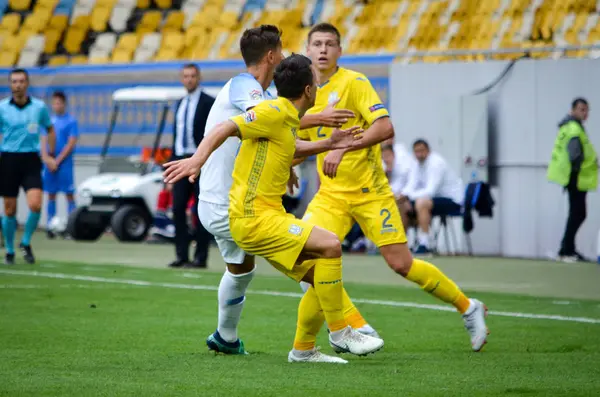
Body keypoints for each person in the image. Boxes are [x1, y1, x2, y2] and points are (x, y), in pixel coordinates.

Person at [164, 54, 384, 363]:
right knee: (331, 245)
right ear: (309, 90)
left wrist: (329, 143)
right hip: (254, 219)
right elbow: (226, 127)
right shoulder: (273, 111)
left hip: (267, 216)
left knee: (320, 276)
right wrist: (196, 160)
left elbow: (285, 147)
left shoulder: (287, 117)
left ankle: (304, 350)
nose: (319, 85)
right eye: (317, 82)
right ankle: (341, 332)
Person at [296, 23, 489, 352]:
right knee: (303, 258)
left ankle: (468, 307)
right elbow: (292, 131)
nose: (323, 49)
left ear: (340, 51)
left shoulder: (355, 83)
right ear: (308, 50)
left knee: (401, 264)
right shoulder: (303, 91)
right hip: (330, 196)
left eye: (330, 44)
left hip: (371, 194)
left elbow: (385, 127)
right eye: (317, 43)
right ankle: (353, 326)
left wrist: (344, 148)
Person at [0, 68, 56, 264]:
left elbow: (49, 129)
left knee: (35, 204)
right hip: (9, 160)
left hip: (31, 160)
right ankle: (9, 249)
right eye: (14, 81)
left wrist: (49, 153)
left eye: (22, 81)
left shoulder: (39, 108)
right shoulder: (2, 108)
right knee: (9, 210)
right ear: (10, 84)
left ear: (27, 84)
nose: (18, 85)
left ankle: (25, 241)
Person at [168, 63, 215, 269]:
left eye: (192, 76)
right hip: (180, 161)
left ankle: (200, 257)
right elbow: (176, 137)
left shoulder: (208, 103)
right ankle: (181, 255)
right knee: (178, 208)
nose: (189, 79)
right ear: (181, 79)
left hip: (200, 161)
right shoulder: (179, 104)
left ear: (199, 78)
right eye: (185, 76)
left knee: (200, 209)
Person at [548, 98, 598, 263]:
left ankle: (567, 248)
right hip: (576, 178)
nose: (585, 113)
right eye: (582, 110)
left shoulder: (570, 127)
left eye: (586, 110)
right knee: (578, 214)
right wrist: (581, 168)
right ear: (573, 110)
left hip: (574, 177)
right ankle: (566, 250)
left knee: (577, 214)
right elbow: (575, 154)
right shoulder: (574, 129)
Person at [398, 139, 464, 255]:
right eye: (416, 151)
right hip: (431, 200)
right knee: (402, 205)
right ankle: (402, 244)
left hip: (452, 200)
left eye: (422, 151)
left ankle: (425, 244)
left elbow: (430, 191)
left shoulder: (436, 163)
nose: (419, 154)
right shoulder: (416, 163)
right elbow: (411, 185)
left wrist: (408, 197)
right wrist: (403, 197)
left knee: (421, 203)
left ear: (428, 150)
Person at [43, 91, 78, 239]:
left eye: (59, 103)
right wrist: (48, 159)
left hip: (64, 164)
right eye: (54, 103)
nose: (57, 106)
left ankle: (72, 226)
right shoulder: (49, 122)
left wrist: (58, 160)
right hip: (50, 164)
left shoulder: (71, 121)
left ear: (64, 104)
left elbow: (71, 142)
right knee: (51, 194)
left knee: (69, 194)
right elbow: (43, 140)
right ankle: (51, 224)